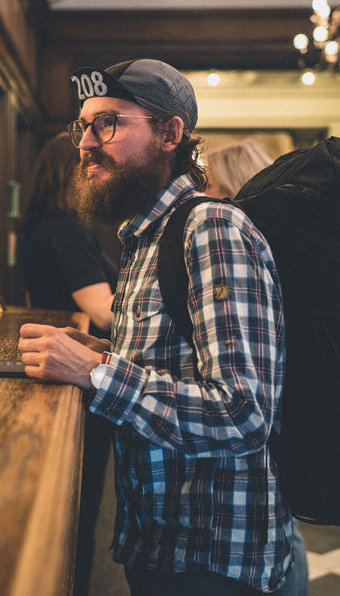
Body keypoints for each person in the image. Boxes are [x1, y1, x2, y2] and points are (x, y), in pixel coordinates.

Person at [18, 59, 292, 595]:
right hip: (164, 541)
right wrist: (98, 348)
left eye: (109, 122)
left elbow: (242, 413)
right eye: (84, 126)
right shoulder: (147, 235)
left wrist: (97, 370)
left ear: (171, 133)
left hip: (213, 556)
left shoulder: (212, 227)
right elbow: (178, 357)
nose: (86, 143)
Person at [206, 139, 309, 596]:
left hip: (271, 422)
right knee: (282, 525)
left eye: (209, 187)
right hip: (298, 412)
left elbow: (242, 403)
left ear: (231, 190)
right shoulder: (295, 244)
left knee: (273, 522)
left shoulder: (237, 243)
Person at [18, 131, 118, 596]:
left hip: (58, 364)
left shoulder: (39, 225)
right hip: (74, 370)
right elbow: (101, 309)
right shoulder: (67, 228)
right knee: (80, 505)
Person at [19, 131, 117, 335]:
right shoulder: (68, 231)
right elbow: (104, 315)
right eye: (90, 168)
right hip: (77, 351)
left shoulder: (41, 225)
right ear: (73, 174)